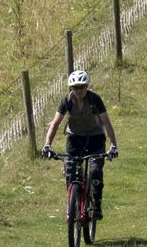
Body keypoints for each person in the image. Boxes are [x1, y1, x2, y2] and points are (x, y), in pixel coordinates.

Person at [41, 69, 118, 207]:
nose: (79, 91)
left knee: (95, 171)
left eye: (82, 87)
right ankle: (73, 204)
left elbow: (106, 122)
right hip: (75, 139)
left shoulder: (95, 99)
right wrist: (47, 145)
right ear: (71, 88)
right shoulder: (67, 100)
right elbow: (55, 124)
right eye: (75, 87)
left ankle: (96, 204)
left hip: (95, 138)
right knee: (70, 172)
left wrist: (113, 145)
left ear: (86, 87)